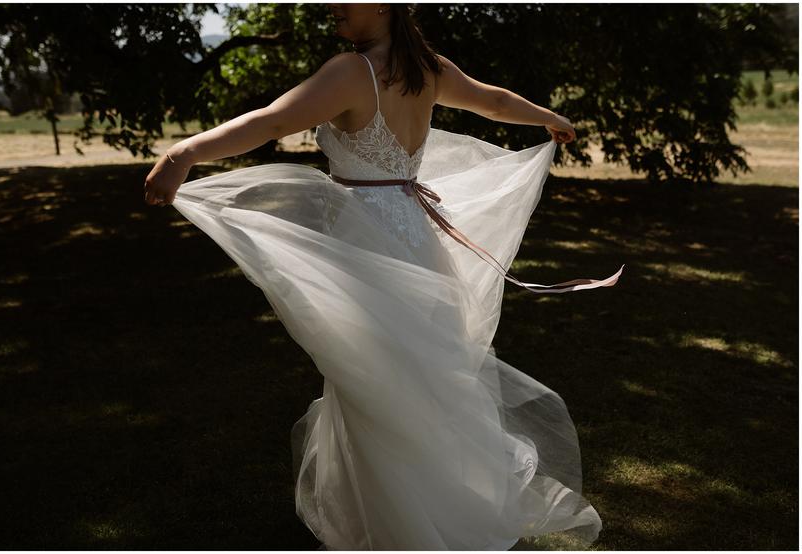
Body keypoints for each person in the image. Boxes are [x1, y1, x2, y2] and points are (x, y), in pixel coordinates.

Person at [143, 4, 622, 550]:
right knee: (414, 382)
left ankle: (400, 528)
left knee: (376, 385)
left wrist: (187, 150)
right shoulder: (427, 67)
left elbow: (273, 121)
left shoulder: (352, 72)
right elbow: (491, 100)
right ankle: (431, 509)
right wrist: (545, 116)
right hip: (417, 242)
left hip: (365, 246)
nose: (330, 7)